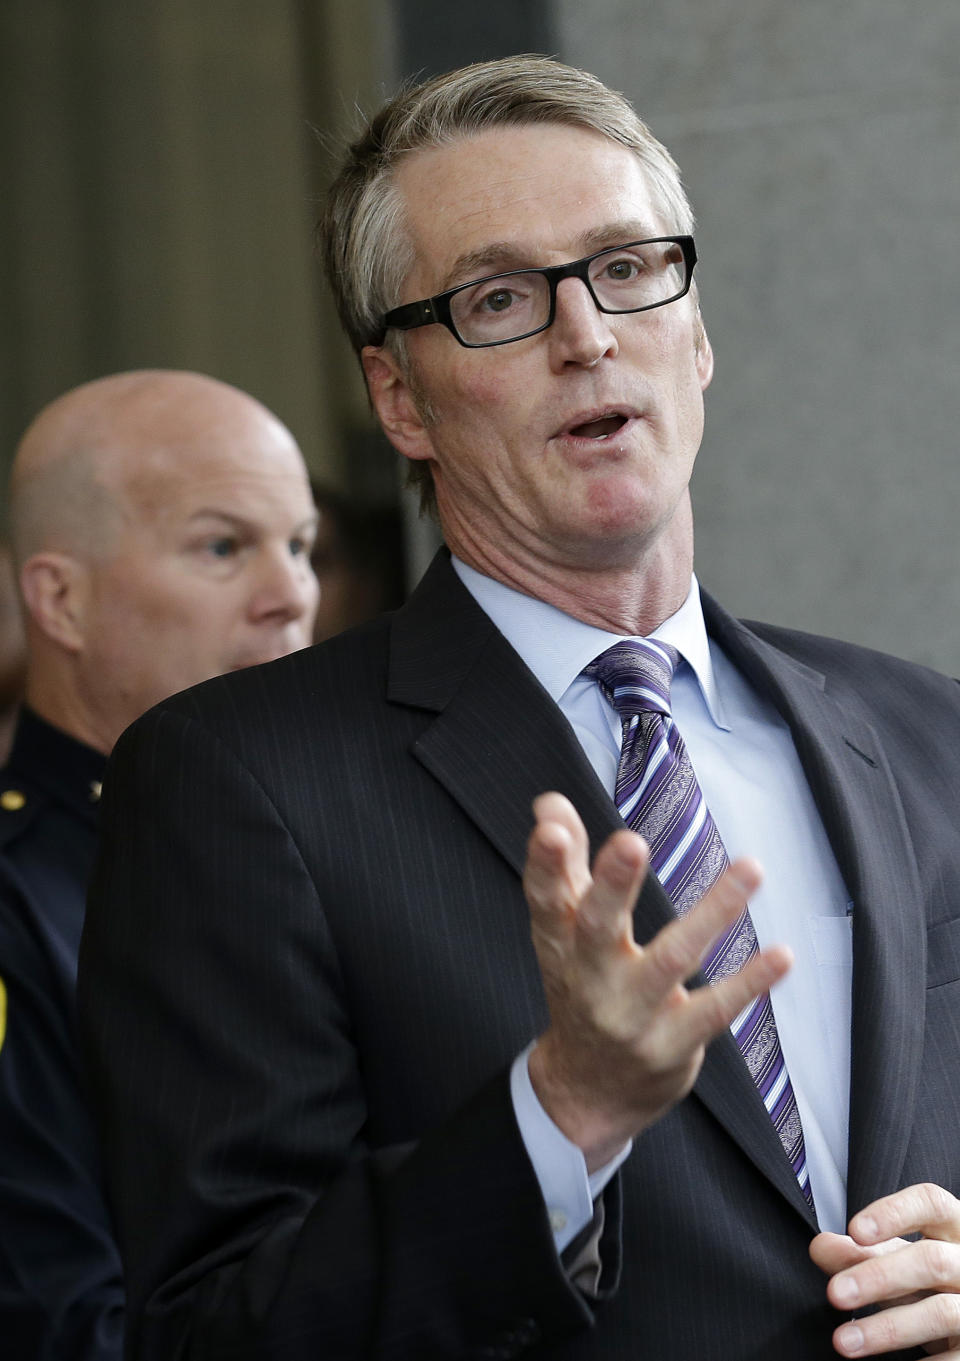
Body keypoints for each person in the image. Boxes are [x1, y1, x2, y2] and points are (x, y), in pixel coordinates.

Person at [78, 60, 960, 1360]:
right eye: (499, 299)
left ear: (697, 331)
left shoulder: (927, 736)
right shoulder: (234, 783)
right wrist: (563, 1113)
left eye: (626, 268)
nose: (586, 333)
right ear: (398, 399)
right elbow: (211, 1328)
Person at [0, 369, 318, 1360]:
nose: (292, 595)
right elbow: (62, 1325)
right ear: (60, 598)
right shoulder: (21, 905)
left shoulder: (327, 854)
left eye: (303, 545)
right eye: (222, 545)